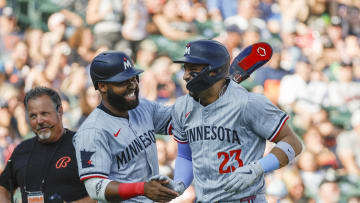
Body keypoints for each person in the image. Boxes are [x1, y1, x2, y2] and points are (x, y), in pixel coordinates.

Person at [167, 39, 303, 202]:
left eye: (193, 69)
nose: (185, 75)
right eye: (185, 69)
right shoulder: (182, 107)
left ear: (213, 71)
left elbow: (293, 143)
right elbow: (185, 155)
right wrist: (180, 184)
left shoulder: (248, 103)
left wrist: (258, 168)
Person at [72, 51, 179, 202]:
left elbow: (181, 120)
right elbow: (95, 187)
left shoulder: (143, 107)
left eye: (134, 78)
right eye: (123, 81)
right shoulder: (91, 132)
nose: (133, 85)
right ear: (102, 86)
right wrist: (141, 188)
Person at [0, 87, 94, 203]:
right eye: (33, 116)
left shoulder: (82, 144)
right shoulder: (21, 150)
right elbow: (3, 188)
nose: (39, 121)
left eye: (44, 113)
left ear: (60, 111)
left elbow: (102, 192)